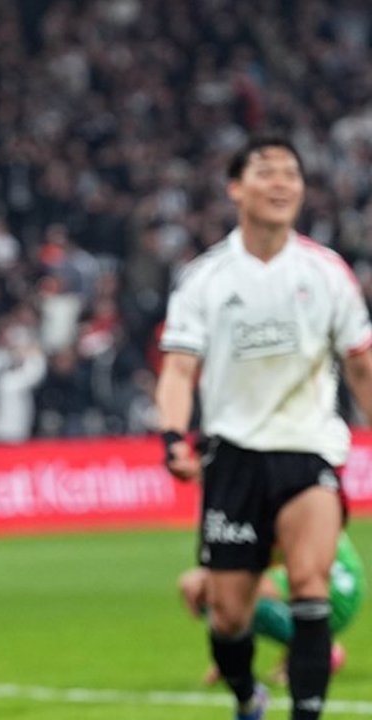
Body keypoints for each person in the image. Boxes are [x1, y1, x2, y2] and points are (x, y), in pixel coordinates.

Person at [155, 135, 372, 720]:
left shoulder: (327, 272)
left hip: (308, 449)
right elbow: (179, 368)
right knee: (228, 615)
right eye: (266, 172)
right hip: (233, 456)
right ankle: (247, 695)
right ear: (236, 188)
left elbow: (360, 365)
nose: (281, 183)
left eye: (291, 174)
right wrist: (173, 436)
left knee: (309, 584)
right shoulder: (205, 277)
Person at [177, 530, 366, 686]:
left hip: (333, 585)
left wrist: (212, 581)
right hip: (337, 582)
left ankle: (316, 647)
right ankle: (305, 646)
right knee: (224, 594)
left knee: (234, 594)